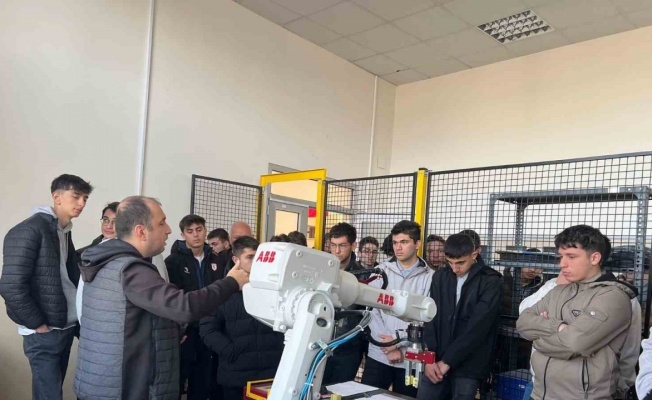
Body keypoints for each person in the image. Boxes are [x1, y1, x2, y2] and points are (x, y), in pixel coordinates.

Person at [73, 196, 249, 400]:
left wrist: (172, 329)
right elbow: (183, 307)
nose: (168, 230)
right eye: (161, 223)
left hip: (107, 382)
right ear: (141, 231)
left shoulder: (108, 263)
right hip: (124, 387)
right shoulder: (129, 270)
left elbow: (133, 319)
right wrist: (232, 282)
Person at [0, 174, 93, 400]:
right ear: (56, 197)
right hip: (44, 331)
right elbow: (11, 286)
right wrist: (37, 324)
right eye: (76, 196)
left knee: (49, 394)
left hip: (64, 326)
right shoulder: (29, 230)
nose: (81, 203)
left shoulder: (63, 231)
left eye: (85, 198)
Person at [516, 225, 636, 400]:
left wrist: (537, 339)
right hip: (540, 393)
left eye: (571, 257)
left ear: (594, 258)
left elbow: (575, 343)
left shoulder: (613, 296)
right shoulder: (559, 291)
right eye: (561, 256)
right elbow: (522, 324)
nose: (562, 264)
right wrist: (559, 328)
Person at [417, 234, 502, 400]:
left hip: (469, 364)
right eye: (450, 262)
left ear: (474, 254)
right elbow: (430, 318)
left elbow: (478, 327)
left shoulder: (491, 280)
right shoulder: (440, 276)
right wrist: (429, 357)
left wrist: (447, 361)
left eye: (460, 263)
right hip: (436, 360)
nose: (455, 268)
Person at [200, 237, 285, 400]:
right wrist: (231, 351)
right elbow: (207, 329)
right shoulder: (222, 291)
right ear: (235, 259)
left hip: (271, 373)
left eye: (258, 256)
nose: (256, 261)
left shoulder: (274, 288)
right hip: (236, 376)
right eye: (250, 257)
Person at [362, 221, 434, 397]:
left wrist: (397, 341)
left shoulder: (430, 277)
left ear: (417, 244)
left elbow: (426, 317)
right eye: (395, 242)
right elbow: (372, 311)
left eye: (404, 242)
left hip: (410, 357)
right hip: (379, 354)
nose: (398, 248)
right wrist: (388, 345)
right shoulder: (379, 271)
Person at [166, 214, 227, 400]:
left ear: (205, 231)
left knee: (205, 379)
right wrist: (179, 327)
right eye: (190, 231)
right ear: (183, 235)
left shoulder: (217, 260)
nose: (195, 235)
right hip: (187, 329)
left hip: (212, 328)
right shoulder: (173, 261)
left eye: (199, 230)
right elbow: (171, 298)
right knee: (180, 378)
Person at [322, 223, 366, 385]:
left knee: (340, 390)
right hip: (320, 344)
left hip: (348, 348)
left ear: (353, 245)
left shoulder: (363, 276)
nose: (337, 251)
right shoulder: (320, 270)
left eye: (342, 246)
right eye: (333, 245)